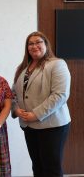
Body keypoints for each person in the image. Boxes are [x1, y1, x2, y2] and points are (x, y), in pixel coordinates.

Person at [12, 31, 71, 177]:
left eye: (38, 42)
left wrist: (36, 114)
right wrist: (16, 110)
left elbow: (60, 95)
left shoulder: (57, 64)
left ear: (46, 44)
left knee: (51, 169)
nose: (34, 46)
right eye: (30, 43)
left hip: (52, 125)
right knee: (37, 166)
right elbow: (13, 94)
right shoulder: (23, 68)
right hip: (28, 126)